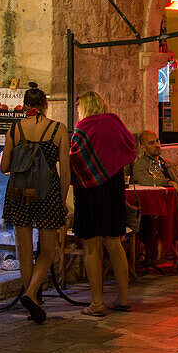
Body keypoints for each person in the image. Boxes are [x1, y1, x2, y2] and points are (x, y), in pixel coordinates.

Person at [0, 83, 70, 324]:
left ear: (27, 106)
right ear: (45, 106)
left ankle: (33, 303)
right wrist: (61, 200)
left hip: (19, 194)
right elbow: (66, 170)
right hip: (47, 193)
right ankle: (31, 294)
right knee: (48, 251)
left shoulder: (15, 128)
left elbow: (4, 167)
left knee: (25, 251)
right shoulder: (58, 129)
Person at [69, 91, 134, 316]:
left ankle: (97, 303)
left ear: (84, 107)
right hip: (114, 189)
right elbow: (130, 146)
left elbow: (75, 158)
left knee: (91, 245)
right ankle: (123, 297)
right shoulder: (115, 123)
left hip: (90, 192)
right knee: (114, 242)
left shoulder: (83, 127)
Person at [129, 130, 178, 198]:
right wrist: (169, 183)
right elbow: (144, 180)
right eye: (151, 143)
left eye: (157, 141)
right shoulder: (141, 165)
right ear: (143, 148)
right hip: (164, 203)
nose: (156, 145)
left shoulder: (169, 164)